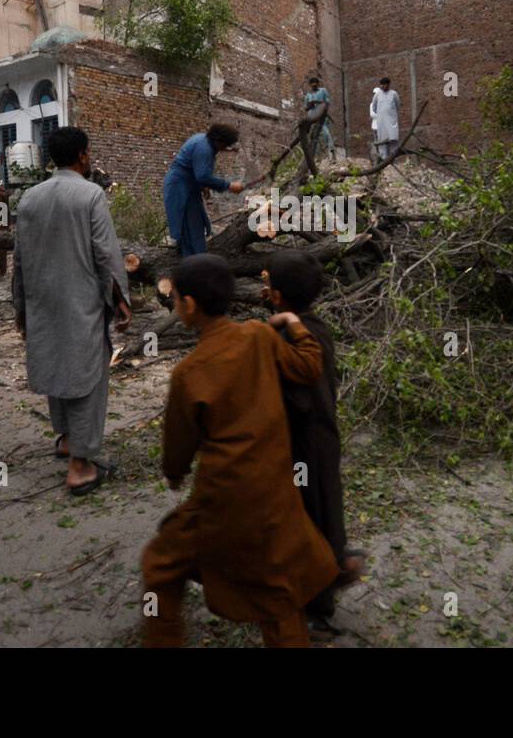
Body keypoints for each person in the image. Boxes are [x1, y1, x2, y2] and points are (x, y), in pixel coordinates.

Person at [142, 254, 338, 648]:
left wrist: (175, 473)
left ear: (190, 306)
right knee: (276, 592)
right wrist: (295, 324)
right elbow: (308, 367)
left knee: (161, 565)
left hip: (224, 499)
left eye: (176, 298)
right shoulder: (260, 336)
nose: (176, 305)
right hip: (276, 493)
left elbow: (178, 442)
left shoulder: (190, 372)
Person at [13, 127, 131, 495]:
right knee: (87, 377)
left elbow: (19, 259)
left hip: (42, 299)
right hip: (81, 300)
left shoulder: (29, 198)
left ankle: (66, 440)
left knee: (57, 364)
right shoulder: (90, 194)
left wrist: (21, 307)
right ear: (83, 154)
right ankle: (80, 466)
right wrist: (121, 300)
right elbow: (106, 254)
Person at [263, 250, 365, 633]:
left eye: (267, 281)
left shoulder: (291, 335)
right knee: (322, 507)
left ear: (277, 295)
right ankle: (332, 565)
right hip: (321, 438)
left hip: (305, 442)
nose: (264, 287)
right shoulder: (316, 327)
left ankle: (318, 604)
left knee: (310, 513)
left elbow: (293, 392)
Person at [162, 124, 245, 257]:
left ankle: (194, 260)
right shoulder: (204, 149)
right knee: (190, 228)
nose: (224, 149)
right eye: (225, 145)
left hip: (188, 186)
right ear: (219, 141)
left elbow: (195, 169)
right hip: (180, 187)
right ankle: (194, 263)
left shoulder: (203, 140)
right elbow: (202, 176)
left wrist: (204, 186)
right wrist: (229, 185)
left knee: (195, 224)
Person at [370, 77, 401, 162]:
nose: (384, 86)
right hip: (381, 122)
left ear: (388, 85)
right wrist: (381, 114)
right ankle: (383, 160)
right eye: (382, 85)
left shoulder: (394, 94)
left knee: (393, 140)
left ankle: (393, 159)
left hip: (392, 122)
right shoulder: (377, 95)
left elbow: (398, 106)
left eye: (385, 84)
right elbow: (374, 108)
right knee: (382, 141)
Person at [304, 77, 335, 161]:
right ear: (310, 85)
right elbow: (306, 108)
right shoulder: (308, 95)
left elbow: (327, 103)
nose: (314, 86)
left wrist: (317, 102)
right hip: (312, 118)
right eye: (312, 85)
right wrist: (310, 105)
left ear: (318, 84)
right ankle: (317, 157)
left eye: (316, 84)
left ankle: (332, 153)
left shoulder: (323, 91)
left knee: (326, 134)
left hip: (322, 117)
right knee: (314, 137)